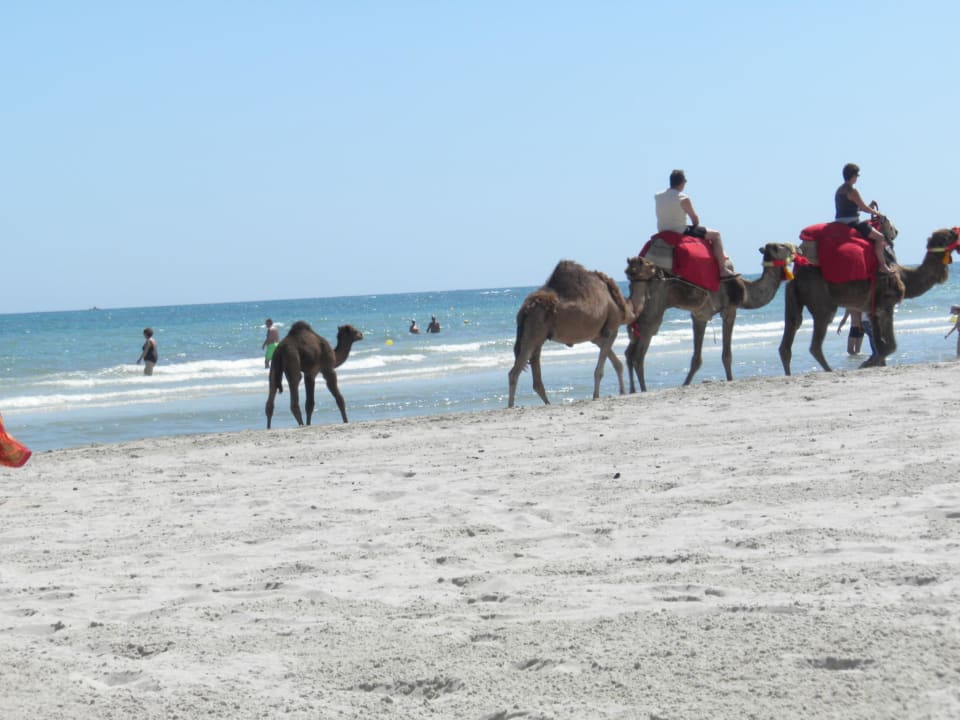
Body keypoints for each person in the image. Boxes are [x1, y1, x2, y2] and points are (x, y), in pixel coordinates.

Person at [654, 169, 737, 278]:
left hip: (662, 231)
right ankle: (723, 269)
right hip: (680, 231)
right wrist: (695, 225)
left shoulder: (658, 196)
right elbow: (694, 218)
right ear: (682, 182)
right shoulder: (683, 198)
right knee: (716, 235)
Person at [834, 163, 894, 273]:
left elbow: (854, 208)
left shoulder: (839, 190)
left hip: (839, 222)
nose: (857, 178)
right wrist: (879, 214)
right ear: (853, 176)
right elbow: (864, 208)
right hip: (852, 223)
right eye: (856, 176)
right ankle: (882, 266)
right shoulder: (852, 190)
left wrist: (869, 207)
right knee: (880, 237)